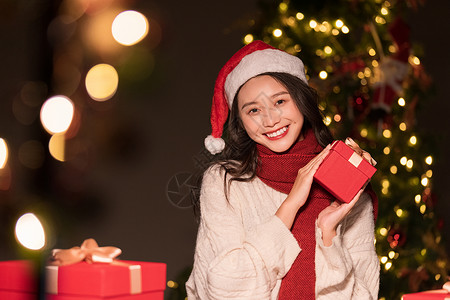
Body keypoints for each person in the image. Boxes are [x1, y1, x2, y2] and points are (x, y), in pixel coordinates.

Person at [186, 40, 379, 299]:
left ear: (301, 100)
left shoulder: (344, 180)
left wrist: (328, 232)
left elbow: (364, 296)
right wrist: (290, 206)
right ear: (241, 122)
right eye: (253, 109)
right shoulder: (225, 181)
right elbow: (224, 290)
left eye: (280, 101)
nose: (270, 119)